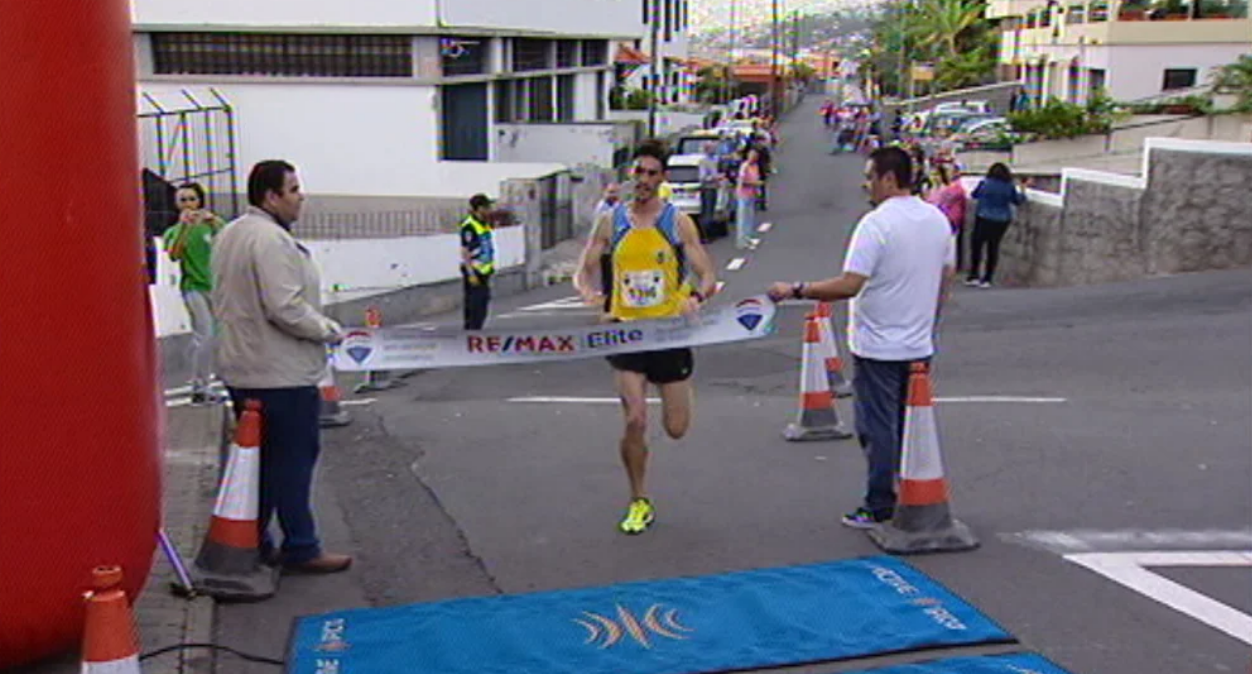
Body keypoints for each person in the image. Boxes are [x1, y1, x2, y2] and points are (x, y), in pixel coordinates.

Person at [766, 146, 955, 528]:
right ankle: (911, 489)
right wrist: (929, 320)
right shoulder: (936, 220)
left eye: (870, 176)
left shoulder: (875, 224)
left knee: (876, 427)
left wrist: (798, 289)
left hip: (877, 345)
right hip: (919, 343)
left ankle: (879, 502)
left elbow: (850, 284)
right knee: (908, 423)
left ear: (888, 178)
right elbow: (947, 274)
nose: (865, 184)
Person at [211, 160, 352, 574]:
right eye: (293, 189)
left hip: (242, 366)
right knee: (292, 461)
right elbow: (285, 307)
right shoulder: (271, 241)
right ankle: (302, 546)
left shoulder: (231, 233)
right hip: (279, 371)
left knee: (262, 463)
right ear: (271, 196)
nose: (300, 196)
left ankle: (254, 541)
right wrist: (328, 330)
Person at [573, 140, 718, 535]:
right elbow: (583, 269)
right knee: (635, 418)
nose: (644, 180)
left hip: (668, 332)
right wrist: (592, 296)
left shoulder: (676, 223)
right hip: (627, 333)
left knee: (676, 427)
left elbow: (708, 276)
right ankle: (639, 499)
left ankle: (680, 395)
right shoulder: (612, 220)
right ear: (631, 174)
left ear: (662, 179)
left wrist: (694, 297)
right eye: (639, 172)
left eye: (652, 174)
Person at [163, 182, 225, 404]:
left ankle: (217, 378)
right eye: (183, 200)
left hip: (216, 287)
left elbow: (229, 239)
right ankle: (199, 386)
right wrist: (184, 227)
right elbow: (173, 254)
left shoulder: (211, 225)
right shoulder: (175, 230)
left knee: (219, 335)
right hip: (193, 288)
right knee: (204, 334)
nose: (188, 204)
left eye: (192, 199)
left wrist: (214, 221)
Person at [967, 163, 1028, 288]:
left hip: (983, 217)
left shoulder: (984, 183)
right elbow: (1017, 200)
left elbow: (974, 195)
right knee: (993, 248)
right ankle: (987, 279)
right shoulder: (1009, 186)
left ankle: (974, 276)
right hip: (1001, 220)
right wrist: (1023, 190)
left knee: (977, 247)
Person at [460, 194, 496, 330]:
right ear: (479, 208)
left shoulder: (483, 223)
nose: (490, 210)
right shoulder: (469, 226)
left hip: (484, 271)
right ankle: (470, 334)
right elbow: (465, 251)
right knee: (474, 307)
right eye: (487, 207)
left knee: (482, 305)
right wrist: (471, 274)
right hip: (474, 271)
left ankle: (476, 330)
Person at [926, 164, 969, 272]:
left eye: (936, 174)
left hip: (948, 218)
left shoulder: (949, 189)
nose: (934, 177)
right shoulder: (931, 188)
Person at [735, 148, 762, 250]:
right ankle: (741, 241)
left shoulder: (755, 166)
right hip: (743, 194)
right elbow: (741, 181)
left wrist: (757, 189)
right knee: (742, 218)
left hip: (751, 194)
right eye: (752, 156)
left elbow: (756, 178)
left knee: (749, 217)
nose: (753, 159)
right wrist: (753, 184)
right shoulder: (744, 166)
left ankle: (748, 237)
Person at [698, 142, 722, 241]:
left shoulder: (714, 160)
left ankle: (710, 234)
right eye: (713, 148)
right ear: (707, 149)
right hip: (707, 188)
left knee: (711, 212)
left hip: (713, 188)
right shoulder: (704, 161)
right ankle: (705, 235)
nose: (715, 150)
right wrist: (715, 177)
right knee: (707, 212)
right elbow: (702, 177)